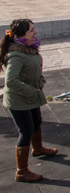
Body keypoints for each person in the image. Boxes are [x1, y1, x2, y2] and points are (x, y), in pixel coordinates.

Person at [2, 19, 58, 183]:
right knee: (25, 131)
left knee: (37, 121)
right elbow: (11, 81)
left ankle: (38, 148)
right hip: (20, 99)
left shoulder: (28, 49)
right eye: (31, 30)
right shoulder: (16, 55)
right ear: (22, 35)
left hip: (31, 96)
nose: (35, 32)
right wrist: (30, 90)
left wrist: (39, 81)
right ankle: (22, 171)